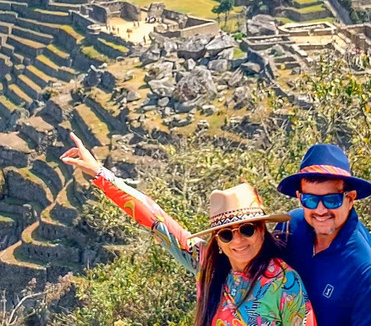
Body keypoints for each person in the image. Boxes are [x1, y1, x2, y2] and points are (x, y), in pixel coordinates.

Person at [60, 132, 315, 326]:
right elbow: (154, 218)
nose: (237, 240)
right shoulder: (209, 264)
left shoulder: (284, 282)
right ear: (218, 241)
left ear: (262, 229)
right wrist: (99, 174)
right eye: (226, 233)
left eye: (247, 229)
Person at [275, 143, 371, 326]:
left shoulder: (369, 269)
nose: (321, 210)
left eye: (331, 199)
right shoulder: (288, 228)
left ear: (350, 198)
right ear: (300, 197)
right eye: (310, 200)